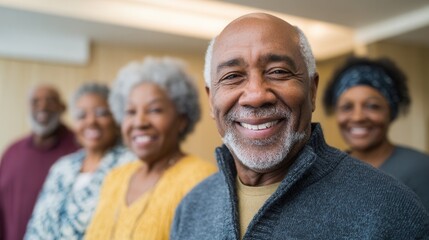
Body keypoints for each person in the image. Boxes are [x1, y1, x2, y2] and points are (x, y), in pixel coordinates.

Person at [171, 13, 429, 239]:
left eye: (278, 71)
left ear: (312, 91)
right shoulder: (192, 207)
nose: (256, 95)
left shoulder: (389, 209)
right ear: (210, 99)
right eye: (232, 76)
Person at [85, 57, 217, 240]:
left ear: (181, 120)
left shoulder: (202, 180)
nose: (139, 122)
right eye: (131, 112)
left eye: (154, 110)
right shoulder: (114, 178)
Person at [24, 83, 133, 239]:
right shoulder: (62, 167)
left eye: (101, 113)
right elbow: (35, 226)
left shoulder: (130, 164)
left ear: (116, 119)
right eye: (82, 115)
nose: (91, 122)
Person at [322, 56, 429, 210]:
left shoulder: (419, 169)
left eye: (372, 106)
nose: (358, 117)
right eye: (347, 107)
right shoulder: (329, 171)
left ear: (391, 112)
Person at [0, 84, 80, 240]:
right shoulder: (12, 152)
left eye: (50, 101)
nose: (42, 107)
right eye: (36, 102)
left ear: (62, 107)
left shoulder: (79, 149)